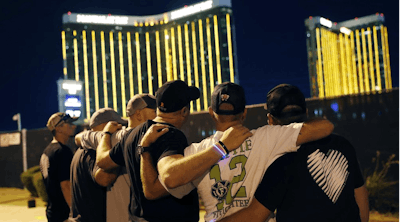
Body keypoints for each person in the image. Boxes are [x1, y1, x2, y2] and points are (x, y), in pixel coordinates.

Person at [139, 82, 335, 222]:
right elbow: (324, 128)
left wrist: (145, 150)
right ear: (244, 113)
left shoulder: (196, 152)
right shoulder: (267, 137)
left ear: (211, 112)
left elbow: (156, 188)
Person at [96, 80, 253, 221]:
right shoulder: (171, 135)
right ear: (184, 111)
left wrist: (106, 134)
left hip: (136, 217)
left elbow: (102, 161)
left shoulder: (132, 134)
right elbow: (157, 188)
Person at [219, 84, 369, 222]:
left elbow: (255, 215)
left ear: (270, 120)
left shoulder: (281, 157)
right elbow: (361, 199)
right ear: (306, 112)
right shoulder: (343, 144)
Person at [75, 94, 157, 222]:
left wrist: (105, 134)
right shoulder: (143, 136)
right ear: (139, 114)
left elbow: (79, 137)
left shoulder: (111, 138)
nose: (158, 115)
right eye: (154, 111)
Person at [70, 108, 127, 222]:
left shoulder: (82, 148)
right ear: (107, 125)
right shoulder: (92, 151)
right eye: (117, 125)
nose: (120, 128)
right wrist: (117, 156)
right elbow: (104, 179)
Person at [39, 112, 78, 222]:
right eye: (69, 123)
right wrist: (74, 213)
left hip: (52, 212)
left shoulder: (47, 151)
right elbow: (65, 185)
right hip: (63, 214)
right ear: (58, 128)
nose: (73, 126)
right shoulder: (62, 152)